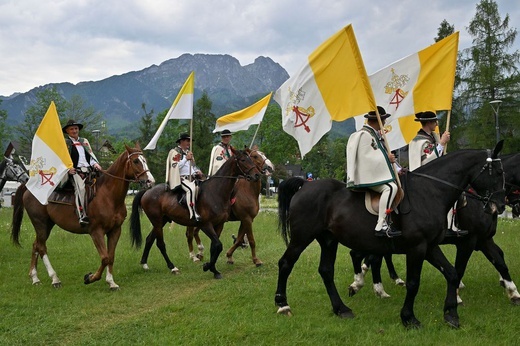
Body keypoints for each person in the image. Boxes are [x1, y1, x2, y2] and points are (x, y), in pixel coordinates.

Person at [408, 111, 467, 237]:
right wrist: (441, 144)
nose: (436, 124)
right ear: (429, 123)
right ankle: (449, 226)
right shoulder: (420, 141)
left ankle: (451, 223)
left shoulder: (432, 137)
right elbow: (429, 160)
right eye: (434, 121)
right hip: (425, 178)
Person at [346, 106, 401, 238]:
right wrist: (386, 158)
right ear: (378, 120)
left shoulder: (371, 135)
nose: (384, 123)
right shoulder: (365, 135)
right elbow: (367, 158)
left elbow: (375, 154)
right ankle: (381, 224)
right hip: (367, 177)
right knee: (390, 187)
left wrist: (396, 167)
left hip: (371, 174)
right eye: (383, 120)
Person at [62, 119, 102, 225]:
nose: (74, 131)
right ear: (67, 131)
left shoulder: (84, 141)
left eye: (76, 128)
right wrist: (68, 169)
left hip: (89, 170)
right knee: (80, 189)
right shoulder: (65, 143)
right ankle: (82, 215)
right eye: (72, 129)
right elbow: (62, 159)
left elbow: (91, 155)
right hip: (75, 171)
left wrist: (96, 164)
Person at [166, 133, 203, 221]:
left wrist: (197, 171)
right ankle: (193, 213)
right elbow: (176, 167)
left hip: (192, 178)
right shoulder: (175, 152)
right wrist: (186, 159)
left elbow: (192, 167)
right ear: (181, 141)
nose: (189, 143)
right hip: (181, 178)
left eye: (189, 141)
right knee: (191, 189)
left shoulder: (188, 153)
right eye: (187, 141)